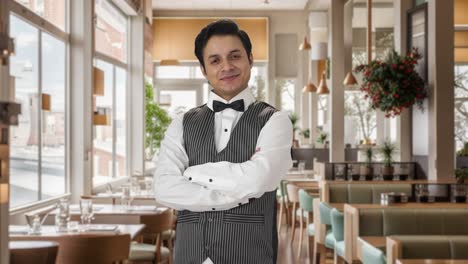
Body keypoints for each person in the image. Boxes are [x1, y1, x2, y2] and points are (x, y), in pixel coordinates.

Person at [154, 19, 292, 264]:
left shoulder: (275, 120)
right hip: (190, 256)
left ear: (250, 59)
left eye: (235, 56)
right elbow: (164, 187)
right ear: (204, 70)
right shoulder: (181, 123)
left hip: (250, 255)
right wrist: (232, 195)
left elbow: (260, 178)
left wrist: (192, 173)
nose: (226, 66)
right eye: (215, 60)